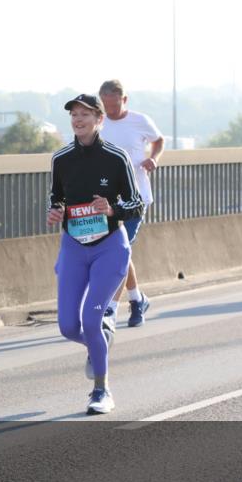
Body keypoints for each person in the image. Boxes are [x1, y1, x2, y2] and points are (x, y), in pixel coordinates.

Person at [48, 94, 144, 414]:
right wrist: (56, 212)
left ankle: (101, 390)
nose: (78, 119)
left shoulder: (116, 159)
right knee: (67, 326)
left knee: (91, 317)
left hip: (109, 248)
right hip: (74, 248)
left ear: (99, 120)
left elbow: (136, 205)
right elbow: (57, 199)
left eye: (85, 114)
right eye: (74, 114)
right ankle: (100, 336)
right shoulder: (61, 160)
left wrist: (112, 207)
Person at [99, 79, 165, 327]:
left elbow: (158, 140)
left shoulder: (140, 121)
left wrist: (153, 158)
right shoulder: (99, 123)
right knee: (120, 253)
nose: (110, 111)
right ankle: (137, 300)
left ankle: (111, 310)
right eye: (105, 106)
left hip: (135, 199)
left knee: (118, 253)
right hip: (107, 202)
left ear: (124, 100)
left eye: (114, 105)